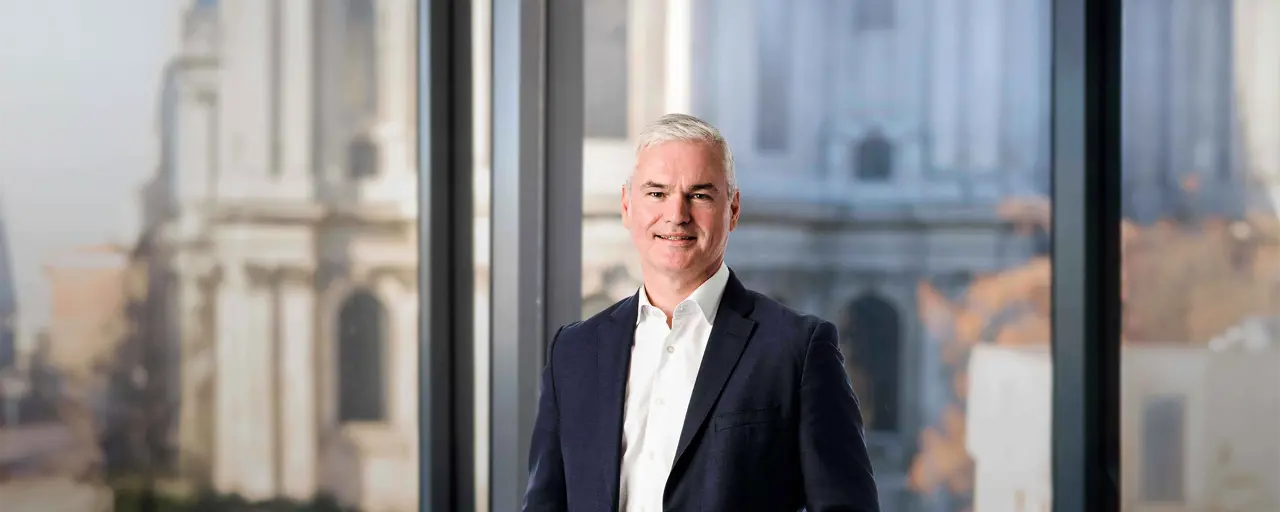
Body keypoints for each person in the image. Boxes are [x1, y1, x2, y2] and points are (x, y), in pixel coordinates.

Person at [523, 113, 880, 512]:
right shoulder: (573, 352)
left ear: (733, 208)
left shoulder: (797, 350)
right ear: (627, 205)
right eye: (656, 193)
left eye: (699, 195)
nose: (676, 215)